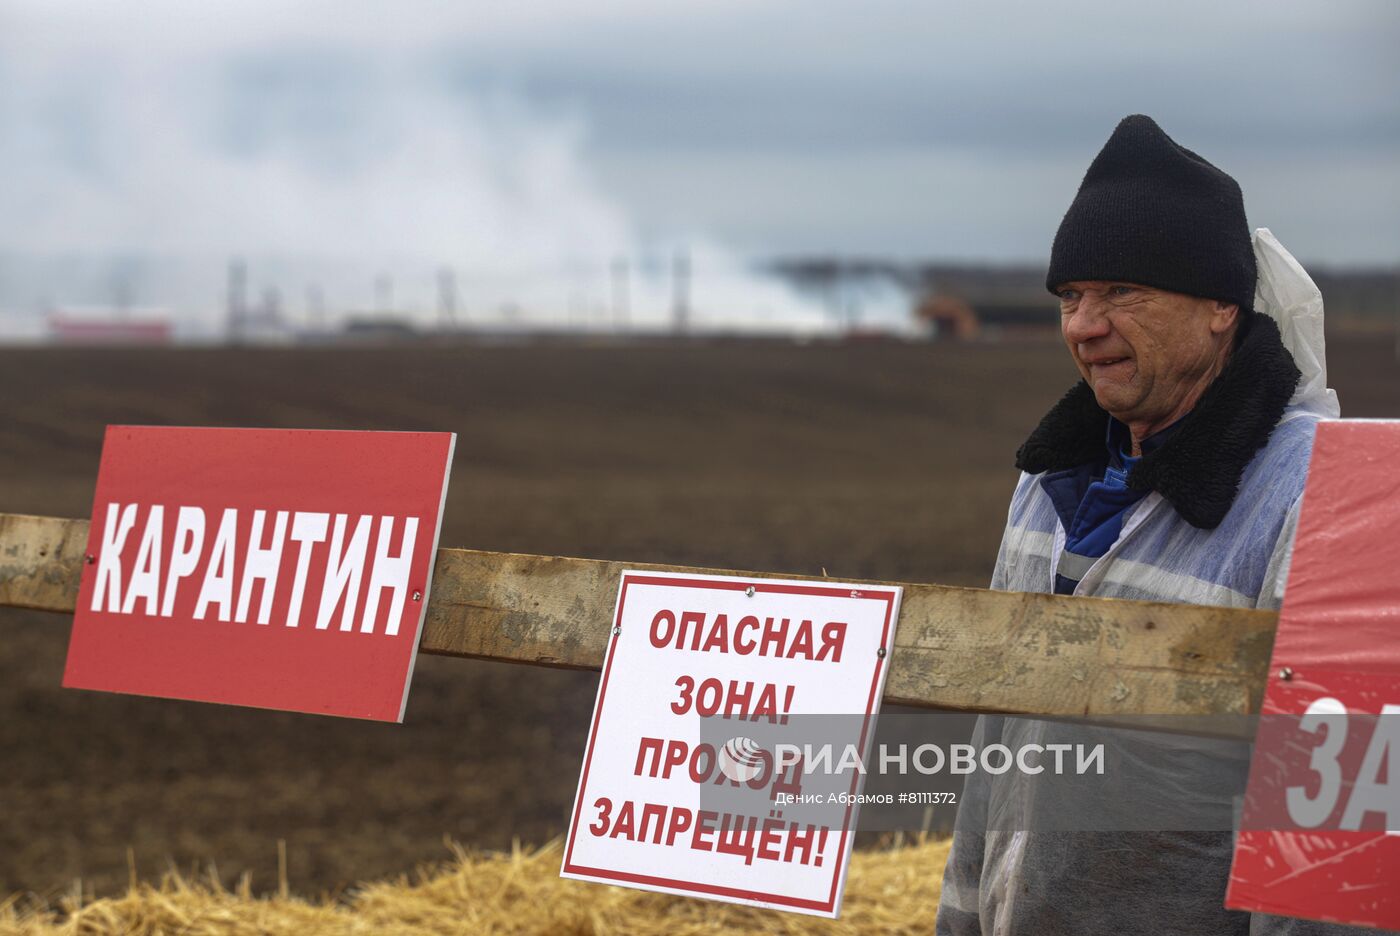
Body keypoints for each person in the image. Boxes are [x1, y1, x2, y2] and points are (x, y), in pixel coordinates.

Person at [934, 115, 1363, 934]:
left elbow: (1334, 819)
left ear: (1218, 308)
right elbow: (996, 751)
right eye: (1070, 297)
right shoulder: (1044, 485)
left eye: (1121, 292)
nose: (1083, 326)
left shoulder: (1316, 498)